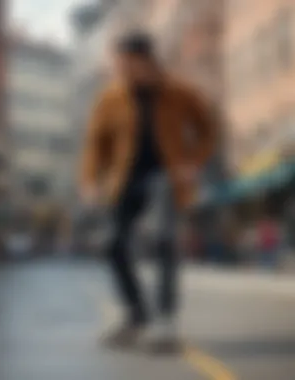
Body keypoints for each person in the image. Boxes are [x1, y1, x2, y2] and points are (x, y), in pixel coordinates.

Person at [79, 32, 216, 351]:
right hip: (124, 179)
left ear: (145, 61)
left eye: (125, 63)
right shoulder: (110, 98)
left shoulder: (180, 93)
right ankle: (136, 313)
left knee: (163, 238)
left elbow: (208, 130)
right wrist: (89, 180)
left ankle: (165, 320)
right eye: (117, 63)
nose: (120, 69)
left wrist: (193, 163)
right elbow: (95, 144)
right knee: (112, 243)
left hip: (165, 175)